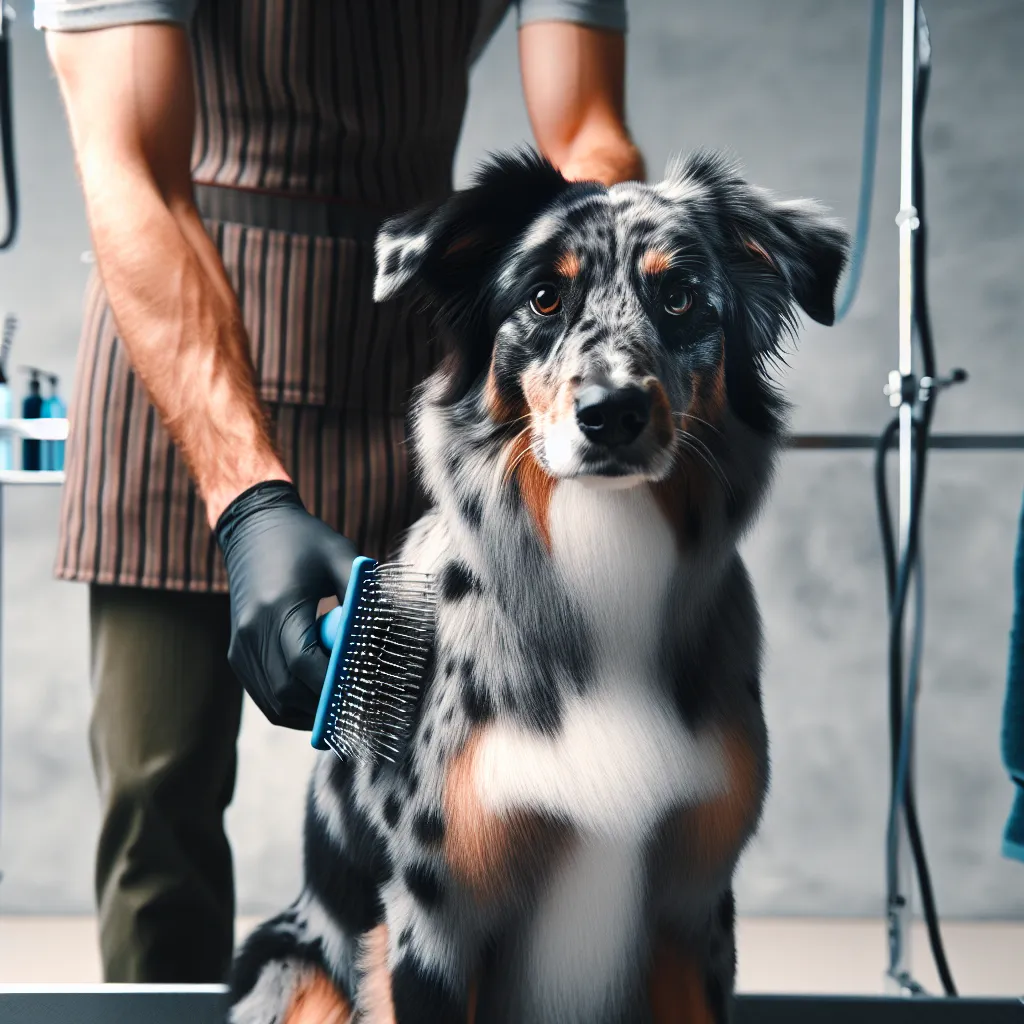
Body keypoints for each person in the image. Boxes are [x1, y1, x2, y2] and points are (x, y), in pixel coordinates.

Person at [36, 0, 645, 985]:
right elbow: (132, 166)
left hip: (403, 351)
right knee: (161, 798)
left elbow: (585, 137)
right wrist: (246, 501)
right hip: (178, 348)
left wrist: (593, 359)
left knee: (422, 789)